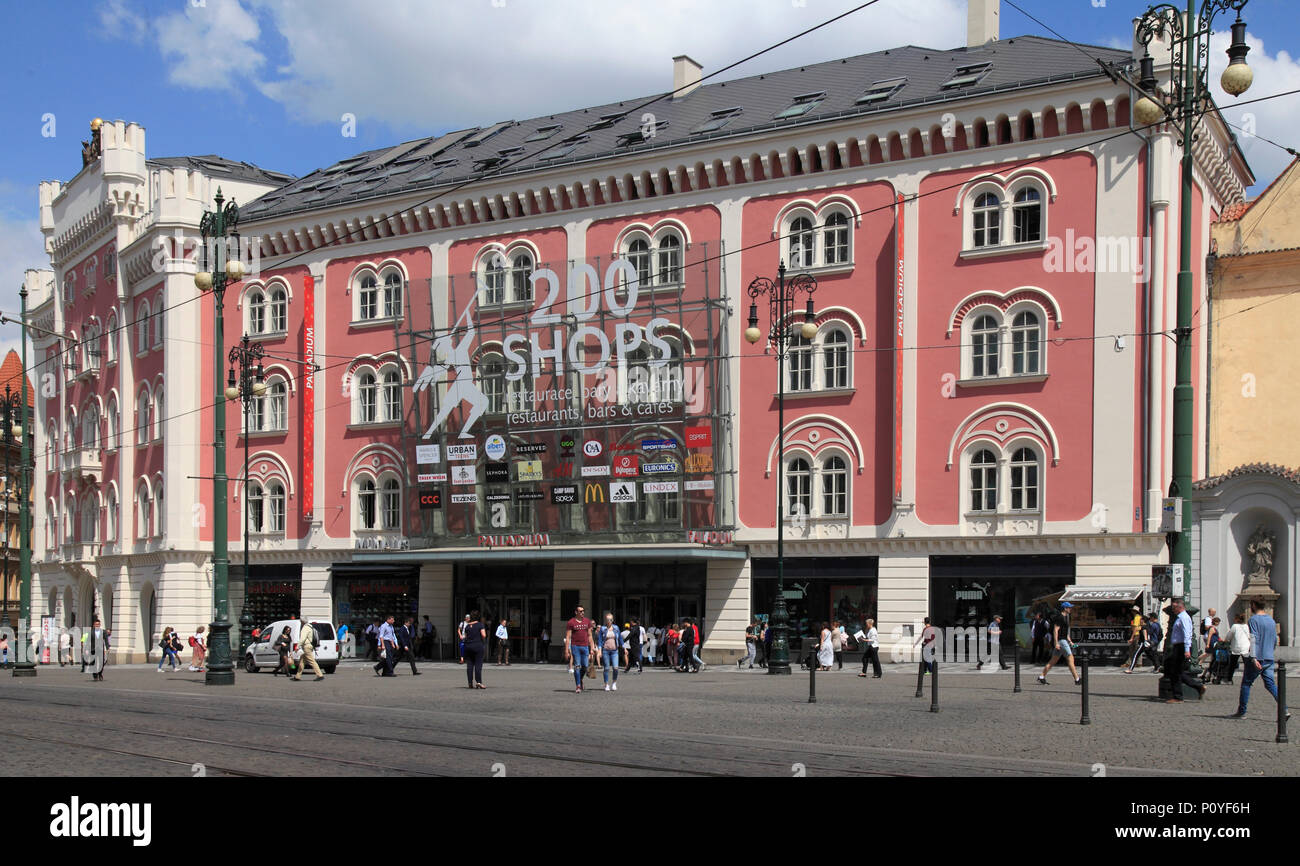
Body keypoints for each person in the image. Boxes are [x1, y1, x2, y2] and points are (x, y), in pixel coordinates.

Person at [1232, 600, 1291, 721]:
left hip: (1258, 658)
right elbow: (1274, 639)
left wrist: (1253, 658)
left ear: (1253, 605)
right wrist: (1270, 651)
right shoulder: (1271, 620)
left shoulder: (1253, 620)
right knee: (1270, 684)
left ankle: (1242, 711)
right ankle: (1284, 709)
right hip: (1269, 657)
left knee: (1246, 684)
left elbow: (1254, 638)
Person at [1037, 602, 1081, 686]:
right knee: (1070, 658)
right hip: (1061, 641)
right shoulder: (1060, 617)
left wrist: (1070, 642)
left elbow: (1065, 631)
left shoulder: (1066, 617)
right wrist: (1056, 643)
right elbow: (1055, 630)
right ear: (1065, 608)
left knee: (1053, 661)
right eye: (1069, 607)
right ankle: (1077, 679)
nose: (1071, 609)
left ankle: (1041, 677)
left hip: (1063, 640)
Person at [1163, 598, 1195, 703]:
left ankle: (1178, 696)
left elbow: (1187, 634)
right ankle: (1197, 687)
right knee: (1175, 670)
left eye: (1173, 607)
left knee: (1175, 672)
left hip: (1181, 647)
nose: (1172, 609)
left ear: (1179, 607)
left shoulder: (1184, 618)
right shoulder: (1180, 617)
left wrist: (1186, 649)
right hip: (1178, 646)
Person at [564, 605, 594, 693]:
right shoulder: (571, 622)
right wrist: (566, 650)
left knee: (584, 666)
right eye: (580, 611)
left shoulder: (587, 621)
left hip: (585, 646)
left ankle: (579, 679)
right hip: (575, 646)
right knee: (577, 665)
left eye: (583, 611)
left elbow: (590, 635)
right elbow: (568, 637)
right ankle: (577, 686)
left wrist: (592, 647)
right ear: (576, 612)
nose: (582, 613)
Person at [597, 612, 625, 691]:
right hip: (606, 650)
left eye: (610, 619)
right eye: (607, 619)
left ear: (612, 620)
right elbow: (599, 640)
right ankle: (606, 684)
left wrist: (624, 648)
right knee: (606, 668)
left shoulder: (616, 628)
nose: (609, 621)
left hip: (614, 651)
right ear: (605, 620)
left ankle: (614, 683)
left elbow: (620, 638)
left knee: (616, 668)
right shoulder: (602, 629)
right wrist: (599, 651)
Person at [462, 610, 487, 689]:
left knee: (469, 665)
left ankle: (470, 683)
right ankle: (479, 682)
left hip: (468, 646)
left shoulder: (467, 626)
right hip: (478, 646)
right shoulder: (480, 625)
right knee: (478, 664)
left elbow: (465, 637)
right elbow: (484, 635)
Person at [1225, 612, 1251, 685]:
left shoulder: (1234, 626)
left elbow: (1229, 636)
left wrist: (1226, 640)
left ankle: (1229, 679)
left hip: (1237, 647)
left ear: (1236, 619)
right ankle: (1248, 679)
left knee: (1232, 664)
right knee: (1247, 665)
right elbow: (1249, 636)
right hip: (1245, 646)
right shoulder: (1246, 626)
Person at [85, 617, 107, 682]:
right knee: (93, 663)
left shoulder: (103, 631)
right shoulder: (89, 632)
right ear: (94, 625)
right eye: (96, 624)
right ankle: (95, 675)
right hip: (92, 649)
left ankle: (100, 674)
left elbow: (106, 640)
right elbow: (86, 641)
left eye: (98, 624)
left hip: (100, 649)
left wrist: (108, 648)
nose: (97, 626)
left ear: (100, 625)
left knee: (101, 663)